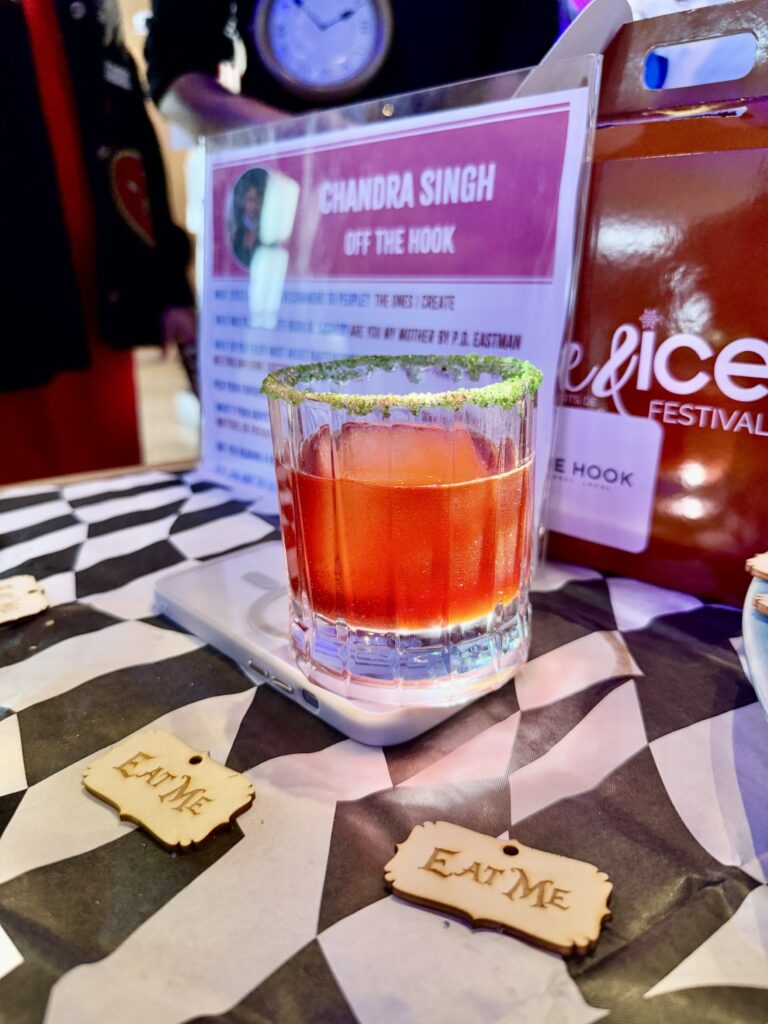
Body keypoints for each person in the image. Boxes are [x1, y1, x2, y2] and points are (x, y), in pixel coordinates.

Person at [0, 0, 195, 485]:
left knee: (107, 501)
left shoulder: (83, 11)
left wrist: (169, 284)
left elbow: (133, 136)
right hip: (14, 318)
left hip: (102, 305)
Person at [145, 1, 560, 135]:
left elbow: (518, 71)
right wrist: (301, 139)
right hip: (295, 219)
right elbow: (177, 80)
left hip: (453, 203)